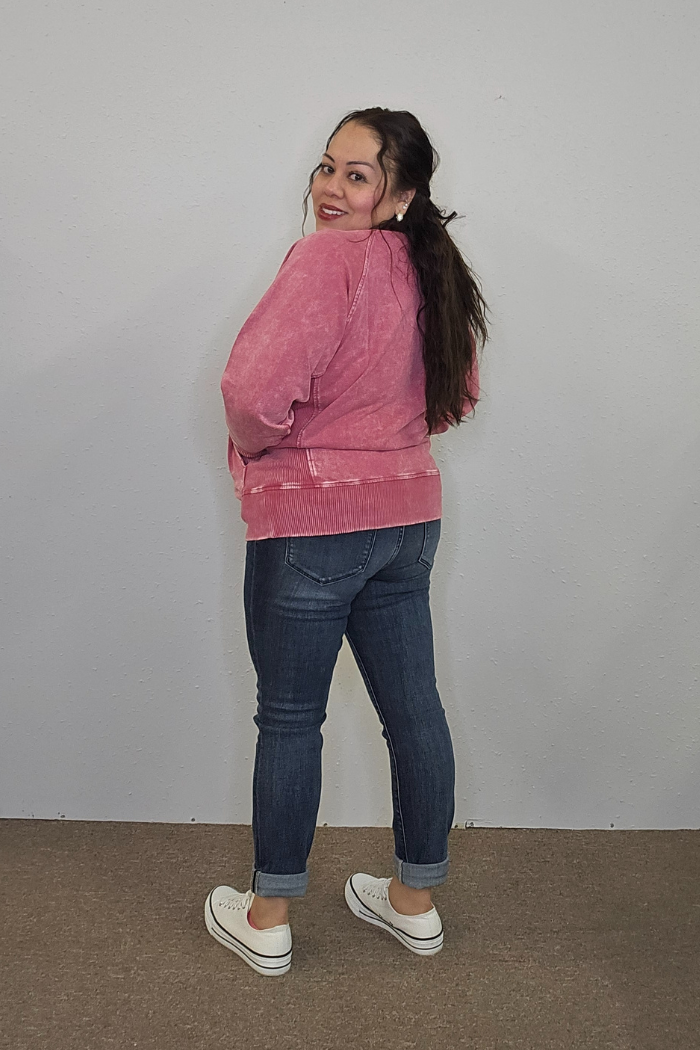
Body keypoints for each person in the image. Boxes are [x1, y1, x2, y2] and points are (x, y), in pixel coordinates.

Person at [205, 107, 489, 976]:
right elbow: (460, 392)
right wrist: (390, 440)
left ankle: (268, 915)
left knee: (290, 719)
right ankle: (414, 900)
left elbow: (251, 392)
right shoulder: (433, 270)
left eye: (357, 175)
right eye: (328, 167)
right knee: (415, 708)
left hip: (312, 524)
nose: (331, 187)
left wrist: (271, 451)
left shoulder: (324, 262)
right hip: (408, 521)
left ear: (399, 195)